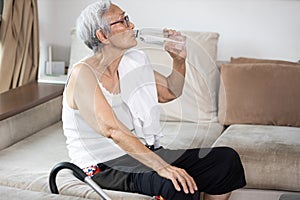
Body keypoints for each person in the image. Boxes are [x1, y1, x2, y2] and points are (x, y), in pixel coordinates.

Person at [62, 1, 246, 199]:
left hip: (138, 155)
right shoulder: (83, 74)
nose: (131, 25)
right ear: (103, 36)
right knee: (176, 184)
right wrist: (163, 167)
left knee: (225, 160)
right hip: (104, 166)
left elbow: (169, 92)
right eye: (122, 21)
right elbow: (112, 129)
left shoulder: (132, 62)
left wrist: (178, 60)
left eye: (128, 18)